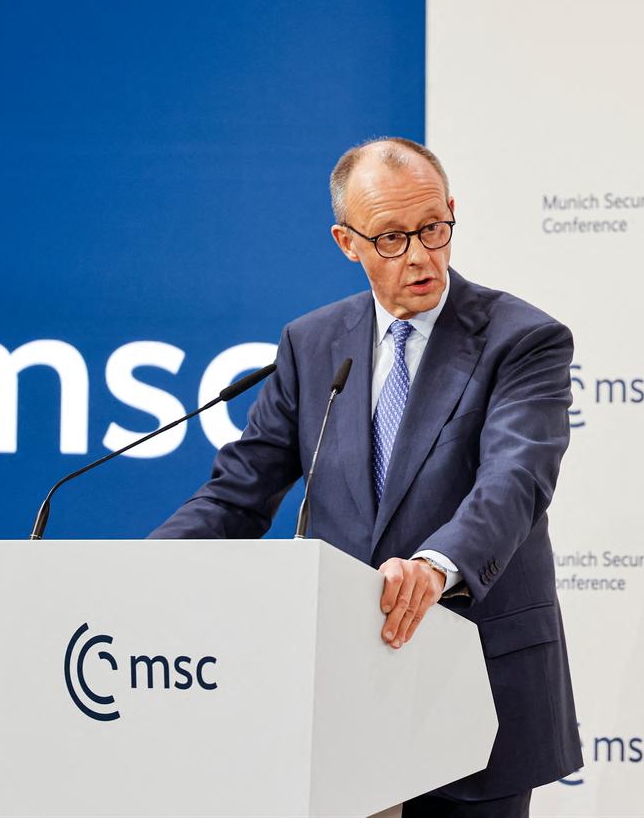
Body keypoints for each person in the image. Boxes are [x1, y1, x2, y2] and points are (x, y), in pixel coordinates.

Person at [149, 137, 581, 816]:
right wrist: (141, 571)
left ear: (452, 212)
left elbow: (514, 478)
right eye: (390, 237)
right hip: (343, 697)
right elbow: (239, 491)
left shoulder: (522, 338)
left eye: (435, 227)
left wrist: (437, 564)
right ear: (347, 241)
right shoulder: (311, 344)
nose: (420, 255)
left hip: (473, 684)